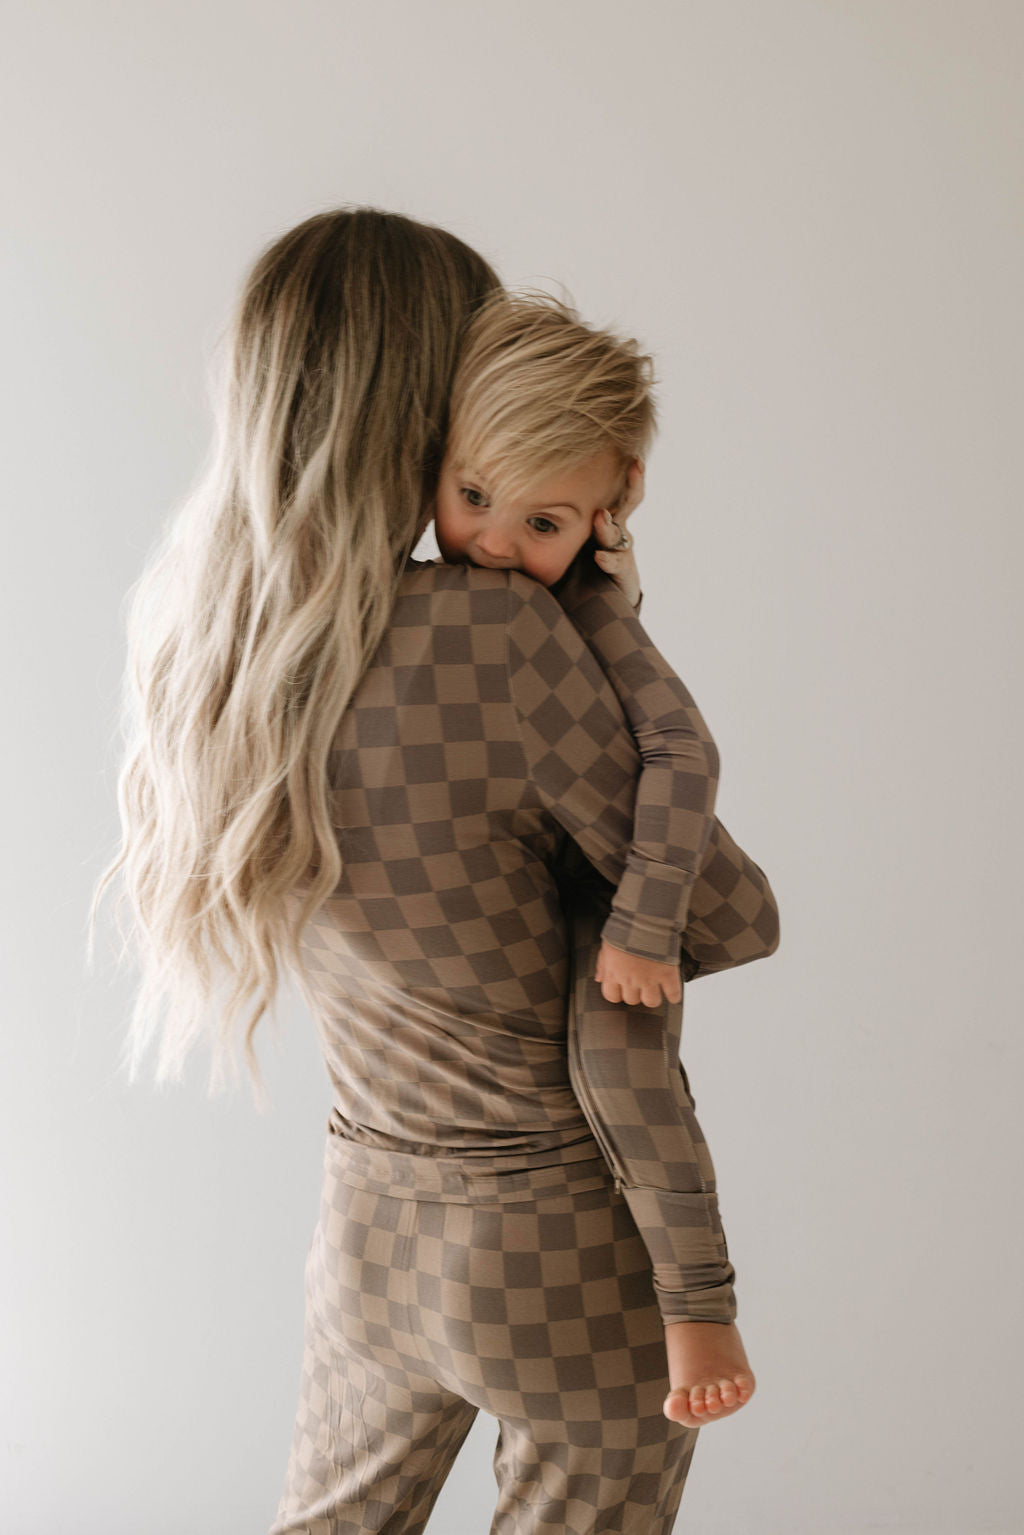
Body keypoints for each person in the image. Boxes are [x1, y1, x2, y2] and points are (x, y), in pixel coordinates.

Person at [89, 207, 780, 1535]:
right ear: (433, 403)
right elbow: (726, 910)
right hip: (555, 1248)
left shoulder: (219, 645)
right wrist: (607, 623)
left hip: (365, 1242)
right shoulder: (501, 635)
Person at [427, 288, 766, 1427]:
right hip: (510, 878)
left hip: (607, 901)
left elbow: (683, 749)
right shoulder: (431, 593)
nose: (494, 542)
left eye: (543, 521)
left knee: (624, 1066)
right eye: (474, 497)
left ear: (612, 503)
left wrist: (643, 923)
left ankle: (698, 1306)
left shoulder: (591, 608)